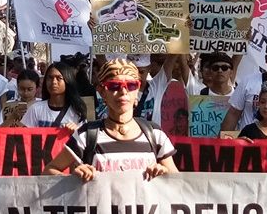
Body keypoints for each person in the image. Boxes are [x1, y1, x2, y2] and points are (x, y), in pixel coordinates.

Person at [44, 58, 178, 182]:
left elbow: (179, 183)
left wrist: (165, 174)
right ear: (102, 92)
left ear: (137, 90)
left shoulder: (155, 134)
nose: (123, 91)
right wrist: (73, 179)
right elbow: (48, 172)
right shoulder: (85, 135)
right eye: (114, 86)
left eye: (131, 85)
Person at [21, 62, 86, 131]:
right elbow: (24, 136)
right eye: (50, 78)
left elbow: (86, 139)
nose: (54, 82)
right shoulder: (35, 109)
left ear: (67, 80)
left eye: (59, 78)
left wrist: (77, 131)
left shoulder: (77, 111)